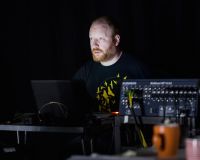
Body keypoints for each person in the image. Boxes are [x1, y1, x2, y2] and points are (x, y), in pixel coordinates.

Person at [73, 16, 147, 114]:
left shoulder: (137, 68)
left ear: (116, 40)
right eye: (91, 38)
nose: (94, 45)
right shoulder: (85, 72)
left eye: (101, 39)